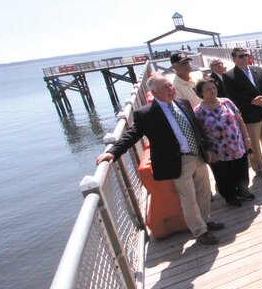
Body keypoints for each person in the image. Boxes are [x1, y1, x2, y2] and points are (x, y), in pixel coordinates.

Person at [95, 74, 223, 245]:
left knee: (203, 192)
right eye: (165, 88)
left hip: (197, 155)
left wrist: (207, 149)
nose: (171, 89)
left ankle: (206, 221)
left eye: (170, 85)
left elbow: (197, 128)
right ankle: (200, 232)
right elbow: (133, 134)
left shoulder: (182, 103)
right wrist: (113, 152)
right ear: (154, 93)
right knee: (189, 198)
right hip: (178, 161)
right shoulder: (146, 114)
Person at [222, 47, 262, 177]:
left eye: (246, 55)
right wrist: (251, 101)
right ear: (233, 59)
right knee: (254, 143)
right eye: (240, 56)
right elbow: (232, 96)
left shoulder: (258, 69)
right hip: (249, 115)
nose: (244, 57)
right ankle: (258, 167)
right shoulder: (229, 76)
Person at [193, 78, 255, 208]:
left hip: (237, 145)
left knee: (241, 170)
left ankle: (243, 191)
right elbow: (199, 135)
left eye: (213, 88)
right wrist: (208, 151)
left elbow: (239, 120)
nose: (212, 91)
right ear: (201, 93)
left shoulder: (227, 102)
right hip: (218, 151)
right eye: (207, 89)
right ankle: (230, 197)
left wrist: (247, 139)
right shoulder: (198, 111)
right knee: (224, 176)